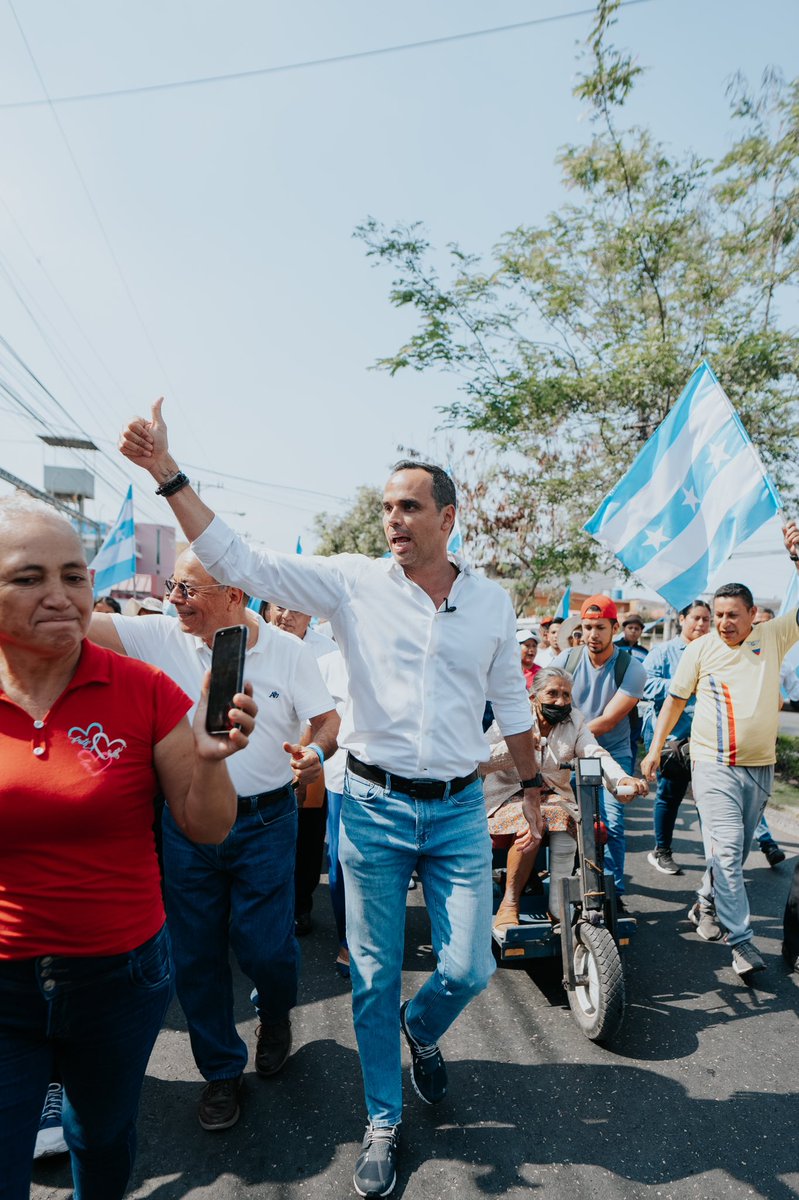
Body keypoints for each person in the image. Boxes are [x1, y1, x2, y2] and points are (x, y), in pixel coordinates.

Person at [119, 399, 542, 1200]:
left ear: (448, 518)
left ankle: (422, 1031)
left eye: (409, 507)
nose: (392, 520)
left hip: (456, 812)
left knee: (470, 966)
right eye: (385, 506)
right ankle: (383, 1119)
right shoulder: (351, 583)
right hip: (374, 809)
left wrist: (529, 784)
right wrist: (167, 476)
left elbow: (512, 707)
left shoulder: (490, 602)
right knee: (375, 978)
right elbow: (239, 556)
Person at [0, 495, 256, 1200]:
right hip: (4, 981)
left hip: (120, 977)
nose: (59, 595)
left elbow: (206, 827)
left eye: (74, 576)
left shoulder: (143, 691)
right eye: (29, 578)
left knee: (101, 1137)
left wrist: (209, 758)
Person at [89, 552, 339, 1132]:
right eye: (173, 586)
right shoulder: (158, 634)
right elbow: (82, 621)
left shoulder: (288, 651)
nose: (174, 597)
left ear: (236, 595)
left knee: (265, 947)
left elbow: (327, 721)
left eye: (188, 589)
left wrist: (315, 753)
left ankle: (275, 1013)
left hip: (268, 821)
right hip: (187, 824)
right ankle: (221, 1072)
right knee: (195, 954)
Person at [642, 527, 799, 981]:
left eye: (734, 615)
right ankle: (742, 942)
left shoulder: (772, 638)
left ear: (753, 615)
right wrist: (654, 751)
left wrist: (795, 558)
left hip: (760, 769)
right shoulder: (700, 650)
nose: (725, 622)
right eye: (719, 615)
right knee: (729, 853)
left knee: (733, 852)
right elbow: (672, 702)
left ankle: (705, 902)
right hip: (712, 765)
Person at [482, 667, 647, 930]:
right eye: (552, 694)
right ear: (534, 697)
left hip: (553, 797)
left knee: (566, 817)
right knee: (531, 823)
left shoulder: (575, 721)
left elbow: (594, 752)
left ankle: (559, 908)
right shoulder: (513, 719)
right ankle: (509, 904)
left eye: (566, 695)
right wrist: (516, 746)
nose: (560, 701)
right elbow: (481, 760)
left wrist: (620, 779)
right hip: (507, 796)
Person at [268, 603, 351, 971]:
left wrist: (309, 754)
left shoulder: (328, 653)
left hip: (315, 758)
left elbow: (326, 717)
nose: (284, 615)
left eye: (294, 609)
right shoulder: (256, 641)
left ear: (311, 616)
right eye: (278, 607)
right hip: (265, 753)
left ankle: (300, 906)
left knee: (306, 836)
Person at [552, 595, 647, 910]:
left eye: (600, 627)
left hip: (611, 753)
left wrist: (572, 735)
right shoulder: (566, 660)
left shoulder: (630, 668)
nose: (593, 634)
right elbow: (541, 698)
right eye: (588, 627)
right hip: (568, 751)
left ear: (614, 628)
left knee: (612, 825)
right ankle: (572, 882)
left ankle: (614, 893)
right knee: (565, 821)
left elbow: (607, 721)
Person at [641, 599, 711, 875]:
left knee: (709, 802)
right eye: (696, 618)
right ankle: (662, 851)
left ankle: (715, 860)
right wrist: (682, 683)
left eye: (706, 619)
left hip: (707, 742)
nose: (701, 624)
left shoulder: (715, 651)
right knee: (670, 797)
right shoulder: (664, 651)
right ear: (682, 619)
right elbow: (645, 684)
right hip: (674, 741)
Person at [747, 605, 787, 865]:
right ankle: (767, 842)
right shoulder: (740, 652)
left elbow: (780, 701)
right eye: (758, 623)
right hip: (724, 746)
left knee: (755, 800)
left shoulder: (777, 657)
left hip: (762, 742)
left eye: (767, 624)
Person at [614, 613, 648, 761]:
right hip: (615, 698)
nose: (633, 631)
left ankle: (629, 770)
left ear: (641, 631)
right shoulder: (614, 648)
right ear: (624, 629)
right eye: (630, 627)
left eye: (637, 628)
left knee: (632, 738)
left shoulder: (645, 653)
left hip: (636, 704)